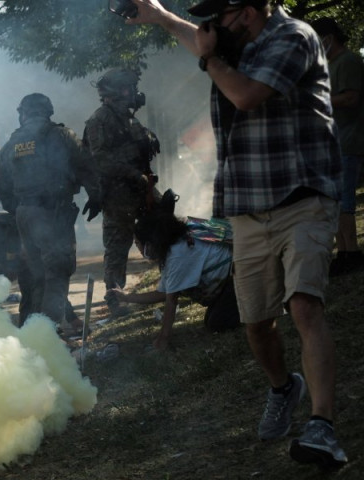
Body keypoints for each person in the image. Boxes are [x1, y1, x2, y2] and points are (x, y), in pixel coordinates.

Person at [129, 0, 347, 469]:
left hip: (303, 196)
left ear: (247, 11)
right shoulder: (235, 47)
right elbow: (199, 40)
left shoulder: (293, 38)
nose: (211, 26)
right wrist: (158, 15)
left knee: (305, 306)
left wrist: (210, 59)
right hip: (248, 209)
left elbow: (246, 94)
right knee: (256, 324)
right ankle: (284, 387)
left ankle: (322, 428)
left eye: (218, 15)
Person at [0, 93, 102, 331]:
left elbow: (1, 184)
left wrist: (20, 209)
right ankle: (48, 335)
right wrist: (96, 195)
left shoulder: (11, 143)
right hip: (53, 213)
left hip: (25, 213)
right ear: (48, 111)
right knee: (56, 273)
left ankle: (29, 331)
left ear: (23, 114)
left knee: (33, 276)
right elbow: (86, 166)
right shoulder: (62, 136)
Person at [107, 190, 239, 351]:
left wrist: (163, 338)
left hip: (240, 278)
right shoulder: (175, 245)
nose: (138, 248)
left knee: (217, 323)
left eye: (138, 243)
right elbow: (164, 292)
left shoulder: (178, 252)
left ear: (151, 242)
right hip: (231, 283)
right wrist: (127, 298)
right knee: (213, 320)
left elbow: (171, 299)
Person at [83, 68, 161, 320]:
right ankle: (115, 297)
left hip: (142, 187)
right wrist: (130, 173)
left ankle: (172, 283)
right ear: (114, 92)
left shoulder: (127, 118)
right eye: (127, 89)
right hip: (118, 194)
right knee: (118, 245)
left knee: (165, 225)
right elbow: (100, 160)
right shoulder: (100, 120)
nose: (132, 94)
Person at [0, 211, 83, 331]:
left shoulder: (33, 252)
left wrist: (72, 318)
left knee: (32, 286)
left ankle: (27, 329)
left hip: (0, 257)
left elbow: (52, 287)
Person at [311, 17, 364, 276]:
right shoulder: (330, 64)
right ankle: (344, 252)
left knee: (344, 201)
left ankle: (351, 252)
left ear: (329, 36)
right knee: (336, 201)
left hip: (348, 139)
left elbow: (351, 98)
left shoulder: (349, 61)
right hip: (334, 142)